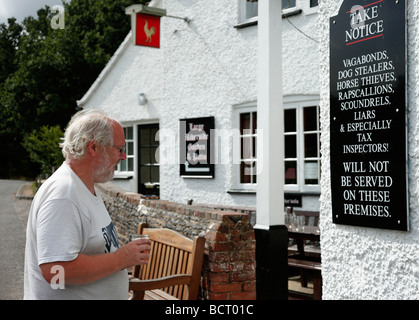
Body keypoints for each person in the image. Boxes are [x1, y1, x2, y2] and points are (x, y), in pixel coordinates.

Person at [24, 110, 151, 300]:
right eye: (119, 149)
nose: (123, 157)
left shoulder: (82, 187)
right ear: (94, 147)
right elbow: (55, 272)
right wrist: (122, 258)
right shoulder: (63, 194)